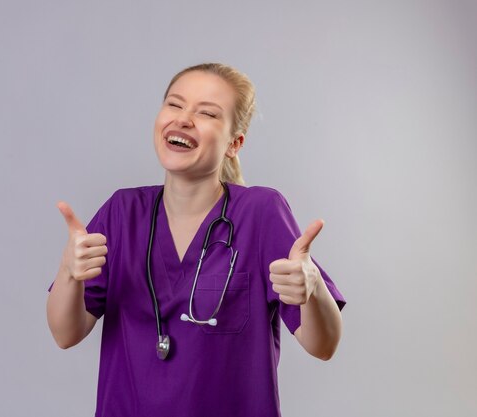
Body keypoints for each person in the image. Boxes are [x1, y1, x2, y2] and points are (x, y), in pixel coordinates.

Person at [46, 63, 346, 417]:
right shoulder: (122, 212)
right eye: (174, 104)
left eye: (206, 113)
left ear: (235, 143)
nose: (184, 118)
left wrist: (312, 291)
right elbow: (66, 334)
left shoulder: (260, 214)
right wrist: (69, 271)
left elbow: (322, 345)